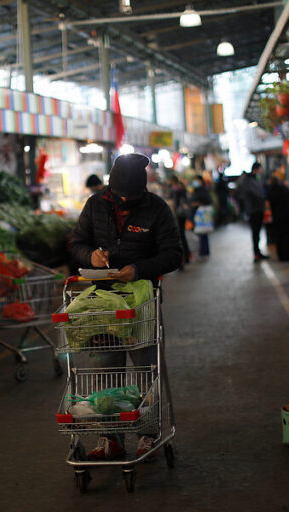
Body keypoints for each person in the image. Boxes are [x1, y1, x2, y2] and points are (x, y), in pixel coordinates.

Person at [70, 153, 182, 460]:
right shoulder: (95, 205)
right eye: (119, 197)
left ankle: (148, 434)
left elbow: (174, 254)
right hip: (104, 305)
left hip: (142, 304)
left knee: (147, 370)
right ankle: (111, 438)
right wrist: (89, 256)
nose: (124, 202)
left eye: (130, 198)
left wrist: (139, 269)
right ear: (109, 187)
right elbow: (76, 244)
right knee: (106, 371)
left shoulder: (156, 208)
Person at [240, 163, 269, 262]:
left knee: (257, 232)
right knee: (255, 232)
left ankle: (258, 252)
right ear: (256, 169)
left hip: (257, 209)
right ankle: (256, 253)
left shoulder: (255, 179)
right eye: (260, 169)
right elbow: (258, 194)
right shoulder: (249, 181)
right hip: (254, 210)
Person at [266, 176, 289, 261]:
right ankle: (287, 255)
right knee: (287, 236)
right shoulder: (284, 189)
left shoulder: (270, 191)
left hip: (276, 217)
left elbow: (269, 203)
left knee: (279, 237)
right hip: (287, 216)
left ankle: (280, 256)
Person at [167, 175, 191, 268]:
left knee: (180, 236)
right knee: (183, 235)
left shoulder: (176, 189)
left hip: (178, 214)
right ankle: (187, 257)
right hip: (183, 214)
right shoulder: (182, 188)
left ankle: (182, 260)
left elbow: (175, 203)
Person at [189, 175, 213, 259]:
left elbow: (207, 200)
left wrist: (197, 203)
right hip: (196, 214)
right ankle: (202, 251)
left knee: (202, 234)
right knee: (201, 234)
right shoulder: (196, 190)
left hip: (201, 215)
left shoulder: (203, 190)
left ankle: (203, 252)